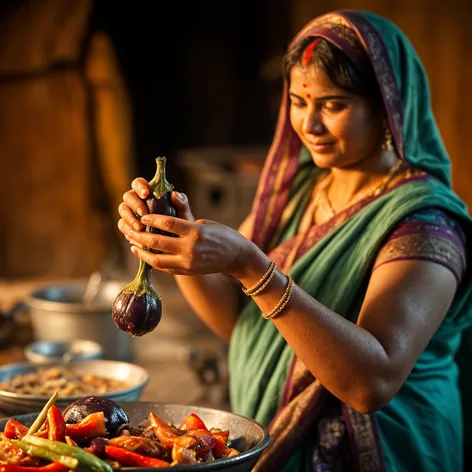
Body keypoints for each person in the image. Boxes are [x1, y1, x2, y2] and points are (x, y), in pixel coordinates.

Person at [117, 10, 472, 472]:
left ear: (388, 107)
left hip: (383, 452)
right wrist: (173, 244)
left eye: (333, 104)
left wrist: (250, 266)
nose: (310, 124)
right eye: (299, 102)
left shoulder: (424, 222)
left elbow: (373, 382)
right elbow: (240, 322)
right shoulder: (300, 191)